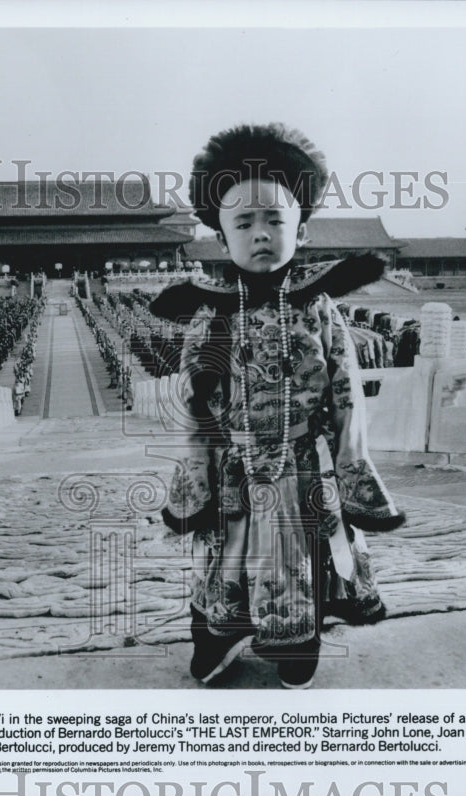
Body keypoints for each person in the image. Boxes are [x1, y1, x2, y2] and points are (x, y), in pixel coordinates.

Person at [150, 123, 405, 689]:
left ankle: (298, 643)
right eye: (244, 221)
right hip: (236, 467)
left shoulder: (318, 308)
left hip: (304, 464)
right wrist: (197, 473)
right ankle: (220, 634)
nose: (260, 233)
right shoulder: (209, 315)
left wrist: (351, 466)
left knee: (303, 555)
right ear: (221, 236)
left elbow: (345, 393)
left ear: (302, 230)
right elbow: (195, 407)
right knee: (228, 556)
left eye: (275, 220)